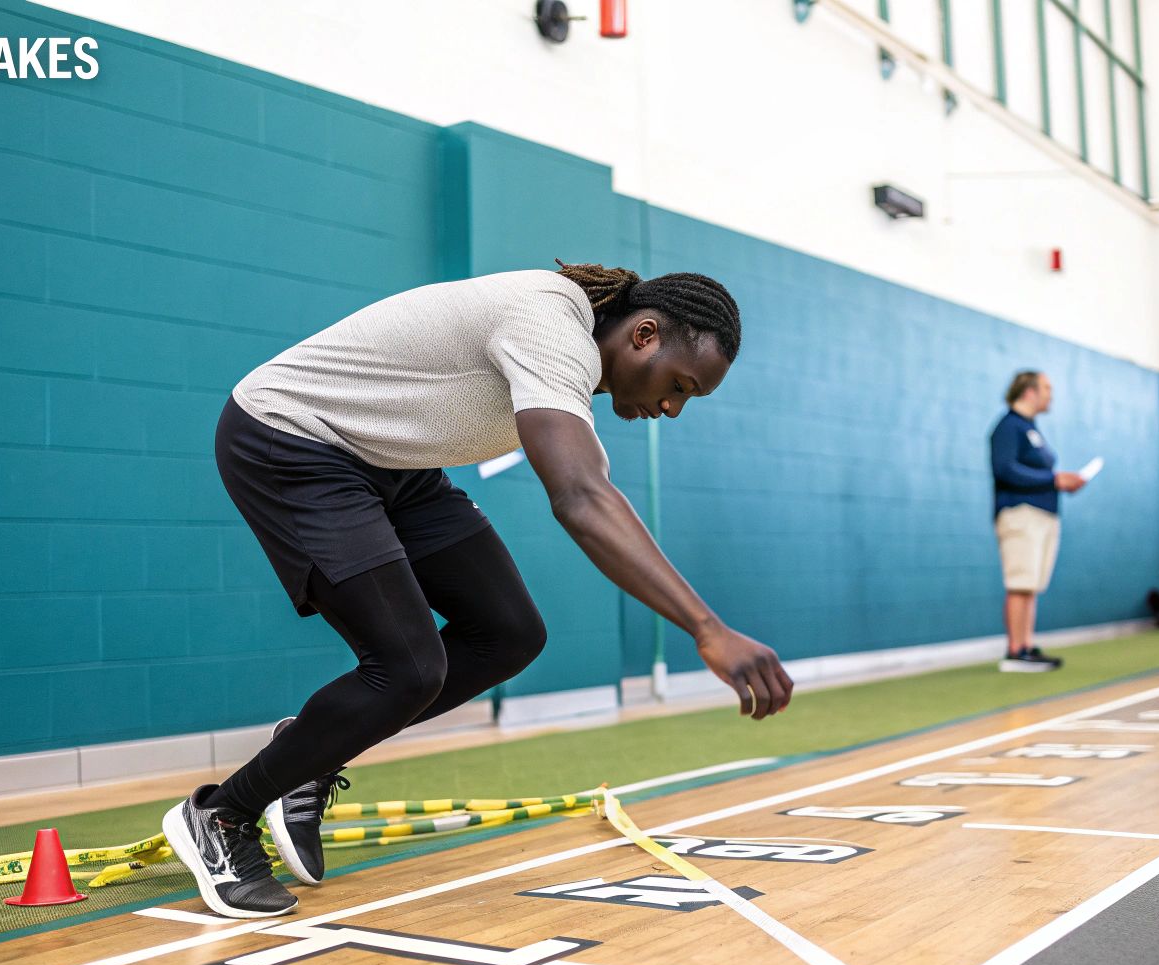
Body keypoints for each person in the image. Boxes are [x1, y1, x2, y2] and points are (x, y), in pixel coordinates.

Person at [162, 261, 796, 919]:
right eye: (680, 385)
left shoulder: (569, 353)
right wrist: (705, 627)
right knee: (408, 669)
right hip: (292, 441)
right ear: (643, 335)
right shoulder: (552, 324)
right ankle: (222, 816)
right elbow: (579, 495)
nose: (670, 408)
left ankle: (313, 747)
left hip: (393, 465)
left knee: (508, 633)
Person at [990, 371, 1084, 672]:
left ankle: (1027, 644)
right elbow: (1006, 470)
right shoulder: (1008, 427)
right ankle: (1015, 651)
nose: (1051, 394)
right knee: (1020, 582)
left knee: (1032, 584)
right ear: (1029, 391)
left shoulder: (1032, 429)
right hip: (1020, 515)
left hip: (1044, 516)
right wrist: (1054, 479)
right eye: (1046, 388)